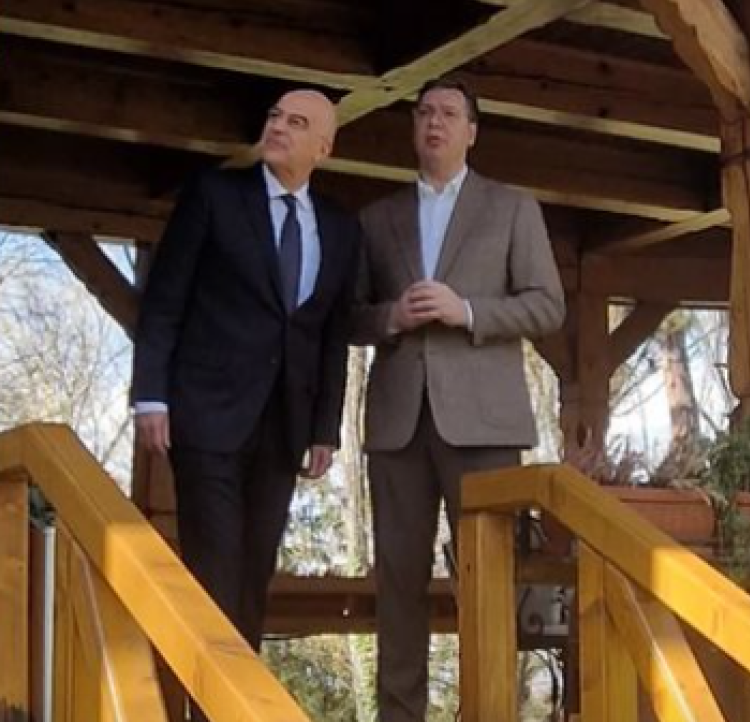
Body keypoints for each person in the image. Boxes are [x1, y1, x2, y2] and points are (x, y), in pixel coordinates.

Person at [353, 77, 565, 721]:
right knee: (398, 583)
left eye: (449, 112)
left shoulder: (512, 207)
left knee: (491, 580)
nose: (434, 121)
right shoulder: (376, 218)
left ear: (472, 131)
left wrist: (467, 309)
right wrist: (391, 317)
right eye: (424, 112)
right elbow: (348, 316)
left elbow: (547, 306)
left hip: (485, 424)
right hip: (398, 425)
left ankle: (492, 711)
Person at [132, 89, 358, 652]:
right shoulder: (215, 195)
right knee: (214, 568)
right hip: (206, 413)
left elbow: (333, 336)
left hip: (284, 426)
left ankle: (237, 693)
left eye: (297, 122)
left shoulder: (340, 226)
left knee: (253, 574)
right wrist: (151, 394)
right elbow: (164, 298)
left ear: (323, 147)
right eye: (275, 117)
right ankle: (209, 694)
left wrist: (325, 428)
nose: (278, 127)